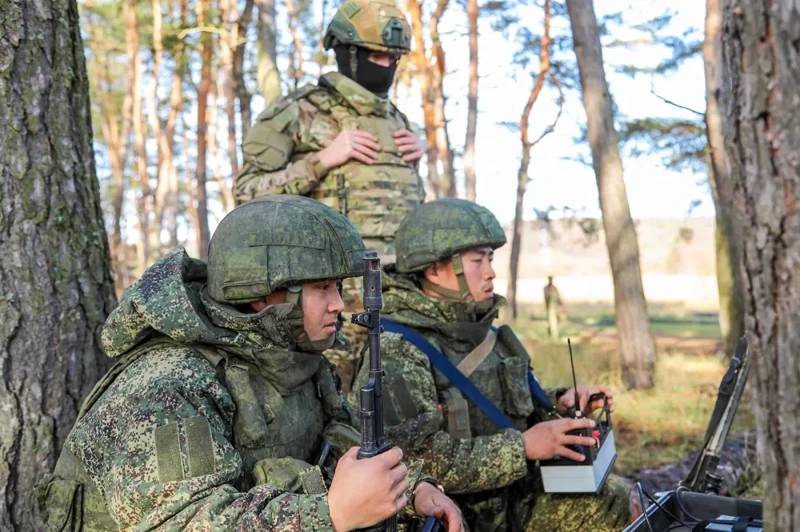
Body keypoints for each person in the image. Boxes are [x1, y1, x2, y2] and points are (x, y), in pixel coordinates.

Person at [35, 196, 462, 532]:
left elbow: (339, 443)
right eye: (322, 288)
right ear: (263, 294)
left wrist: (412, 488)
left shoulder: (292, 357)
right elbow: (181, 521)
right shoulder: (169, 386)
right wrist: (331, 514)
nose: (338, 305)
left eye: (339, 287)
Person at [353, 198, 634, 532]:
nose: (491, 271)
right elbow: (412, 461)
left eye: (490, 258)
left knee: (618, 496)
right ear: (434, 270)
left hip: (512, 501)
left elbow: (500, 405)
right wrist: (524, 447)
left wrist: (560, 402)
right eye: (477, 260)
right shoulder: (397, 350)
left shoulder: (485, 331)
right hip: (457, 516)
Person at [233, 0, 425, 391]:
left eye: (394, 57)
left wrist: (417, 163)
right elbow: (246, 193)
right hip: (326, 307)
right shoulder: (296, 111)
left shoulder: (398, 121)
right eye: (376, 55)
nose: (387, 66)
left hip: (399, 304)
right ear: (347, 52)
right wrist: (323, 159)